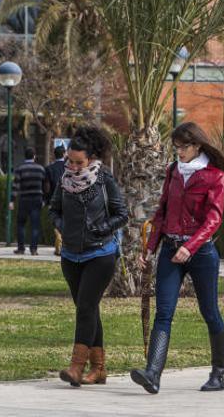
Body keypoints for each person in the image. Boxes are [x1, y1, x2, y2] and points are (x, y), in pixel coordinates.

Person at [130, 121, 224, 394]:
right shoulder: (173, 171)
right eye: (175, 148)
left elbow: (214, 218)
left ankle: (219, 374)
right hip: (171, 250)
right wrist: (149, 249)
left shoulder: (214, 175)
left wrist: (193, 246)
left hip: (202, 254)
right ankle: (153, 374)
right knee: (164, 313)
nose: (179, 152)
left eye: (183, 147)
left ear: (197, 145)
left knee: (210, 313)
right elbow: (162, 213)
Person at [49, 125, 128, 387]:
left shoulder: (105, 179)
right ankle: (100, 369)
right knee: (88, 309)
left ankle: (76, 367)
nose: (71, 166)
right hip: (71, 255)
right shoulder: (64, 180)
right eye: (68, 161)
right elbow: (54, 208)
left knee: (85, 307)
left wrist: (102, 228)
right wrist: (61, 225)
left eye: (77, 162)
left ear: (92, 159)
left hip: (101, 253)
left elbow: (121, 214)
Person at [11, 148, 46, 255]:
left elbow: (15, 186)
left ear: (24, 156)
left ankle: (21, 248)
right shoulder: (40, 169)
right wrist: (44, 199)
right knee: (35, 225)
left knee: (21, 224)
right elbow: (45, 186)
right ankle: (34, 249)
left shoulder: (20, 169)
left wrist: (12, 200)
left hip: (24, 199)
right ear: (34, 156)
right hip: (37, 199)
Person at [44, 145, 67, 256]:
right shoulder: (69, 167)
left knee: (56, 223)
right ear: (64, 154)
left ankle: (59, 246)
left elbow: (47, 187)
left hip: (54, 200)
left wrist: (47, 200)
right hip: (68, 199)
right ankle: (63, 247)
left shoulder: (49, 169)